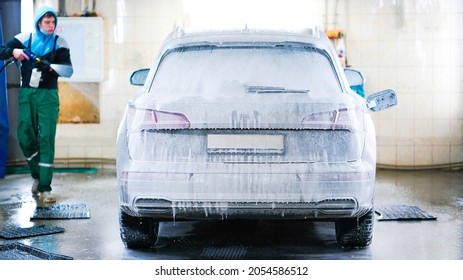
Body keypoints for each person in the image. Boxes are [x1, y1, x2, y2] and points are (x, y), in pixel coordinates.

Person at [0, 6, 73, 203]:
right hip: (27, 94)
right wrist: (14, 51)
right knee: (25, 136)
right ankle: (37, 175)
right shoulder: (26, 38)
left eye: (53, 22)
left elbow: (68, 70)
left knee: (47, 138)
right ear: (38, 22)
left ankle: (45, 188)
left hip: (48, 96)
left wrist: (50, 66)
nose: (51, 26)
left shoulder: (60, 42)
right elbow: (1, 51)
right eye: (46, 22)